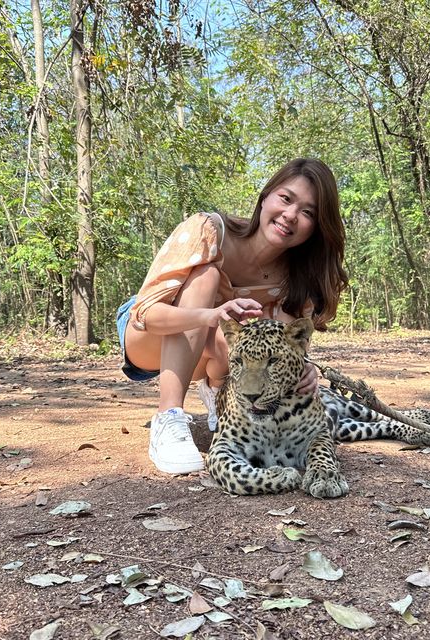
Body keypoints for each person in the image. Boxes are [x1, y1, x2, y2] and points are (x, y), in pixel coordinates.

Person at [116, 158, 348, 474]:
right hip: (147, 334)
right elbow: (145, 313)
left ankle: (221, 400)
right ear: (265, 196)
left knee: (243, 346)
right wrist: (209, 315)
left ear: (316, 228)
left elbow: (282, 351)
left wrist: (304, 369)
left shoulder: (294, 283)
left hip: (206, 350)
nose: (291, 215)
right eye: (286, 198)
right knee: (207, 277)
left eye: (308, 213)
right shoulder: (209, 230)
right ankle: (168, 418)